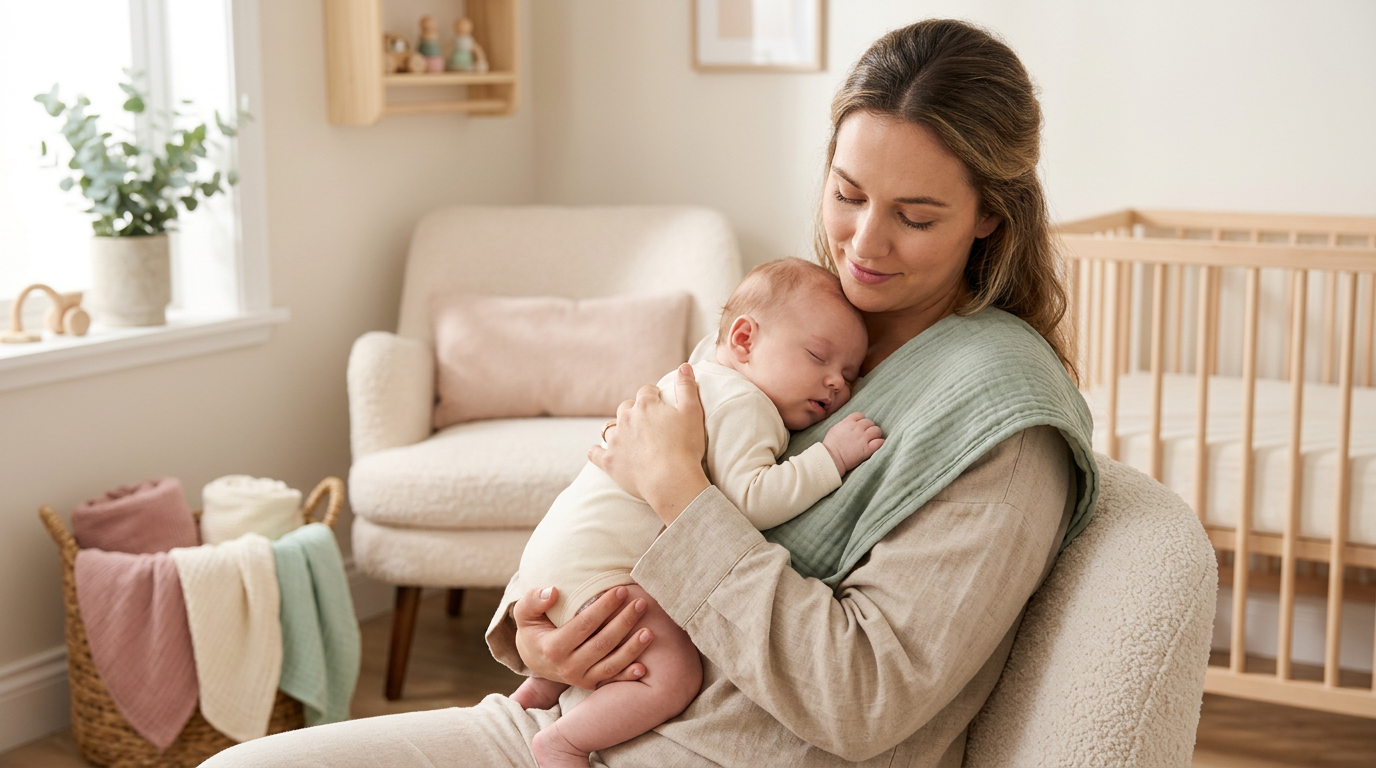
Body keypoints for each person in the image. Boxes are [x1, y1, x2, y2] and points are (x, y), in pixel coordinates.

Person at [204, 18, 1098, 767]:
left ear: (991, 215)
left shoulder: (1000, 424)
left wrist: (680, 489)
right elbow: (607, 489)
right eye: (847, 193)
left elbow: (861, 697)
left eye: (915, 215)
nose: (864, 242)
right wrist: (537, 631)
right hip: (572, 714)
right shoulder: (787, 331)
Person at [504, 258, 884, 767]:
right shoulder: (746, 405)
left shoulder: (702, 377)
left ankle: (538, 693)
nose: (836, 384)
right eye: (819, 357)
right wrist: (829, 458)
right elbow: (750, 500)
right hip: (597, 568)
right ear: (745, 340)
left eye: (850, 374)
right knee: (674, 673)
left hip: (557, 555)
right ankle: (564, 743)